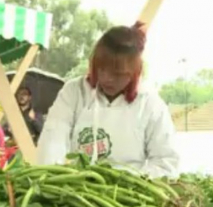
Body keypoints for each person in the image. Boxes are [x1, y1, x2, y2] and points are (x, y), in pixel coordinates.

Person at [36, 22, 179, 178]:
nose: (106, 78)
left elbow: (165, 163)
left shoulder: (150, 104)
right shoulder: (74, 92)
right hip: (77, 187)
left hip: (129, 194)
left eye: (117, 74)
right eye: (101, 68)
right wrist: (53, 177)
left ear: (134, 72)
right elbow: (52, 142)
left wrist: (128, 182)